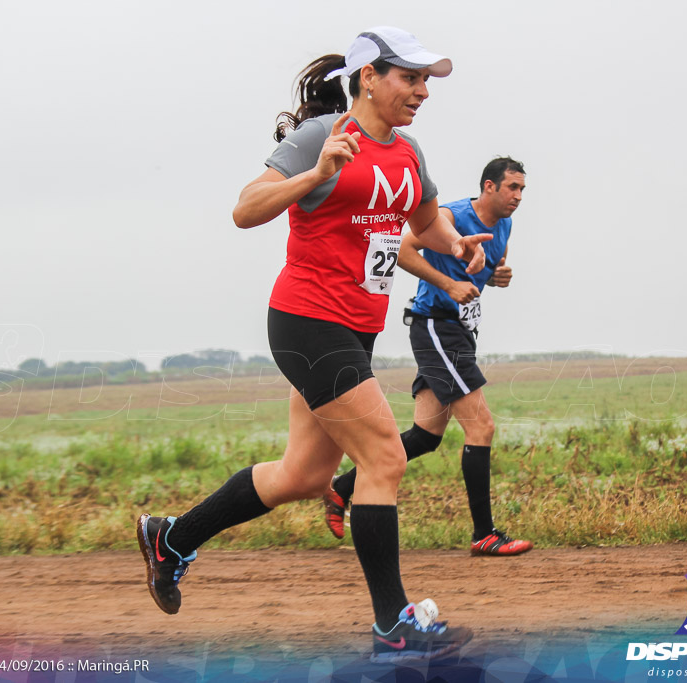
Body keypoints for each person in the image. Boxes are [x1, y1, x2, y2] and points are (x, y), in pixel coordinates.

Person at [137, 27, 493, 663]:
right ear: (368, 78)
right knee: (384, 458)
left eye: (425, 81)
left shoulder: (408, 152)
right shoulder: (320, 138)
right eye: (409, 79)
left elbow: (425, 222)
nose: (421, 92)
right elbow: (246, 210)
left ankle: (171, 538)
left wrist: (456, 244)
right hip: (305, 320)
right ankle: (394, 625)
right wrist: (316, 174)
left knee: (302, 475)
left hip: (356, 326)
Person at [323, 157, 533, 557]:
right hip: (436, 325)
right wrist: (449, 284)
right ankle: (484, 534)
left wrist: (496, 275)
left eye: (523, 189)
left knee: (425, 436)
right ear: (489, 186)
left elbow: (486, 267)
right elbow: (401, 249)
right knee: (481, 427)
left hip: (459, 331)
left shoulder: (504, 223)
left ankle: (340, 489)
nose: (518, 197)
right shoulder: (450, 216)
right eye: (512, 188)